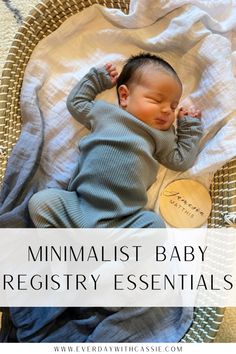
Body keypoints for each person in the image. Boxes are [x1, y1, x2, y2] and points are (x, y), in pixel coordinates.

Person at [28, 52, 202, 228]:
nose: (167, 110)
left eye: (173, 106)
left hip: (122, 220)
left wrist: (188, 129)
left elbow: (181, 161)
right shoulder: (106, 114)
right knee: (41, 202)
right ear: (125, 96)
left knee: (154, 225)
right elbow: (77, 103)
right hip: (79, 206)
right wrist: (96, 80)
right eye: (157, 100)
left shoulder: (162, 136)